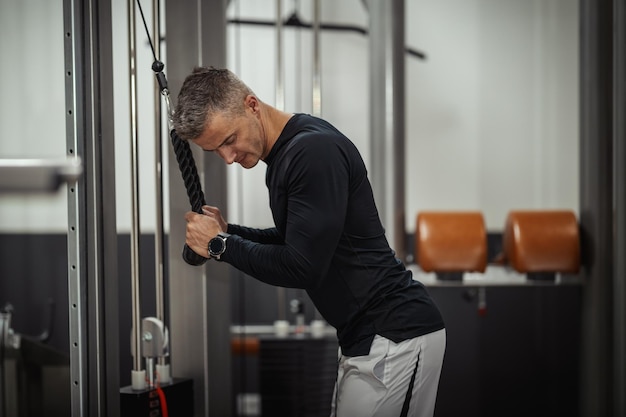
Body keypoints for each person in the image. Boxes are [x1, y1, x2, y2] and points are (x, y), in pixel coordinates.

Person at [174, 66, 446, 417]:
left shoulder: (311, 152)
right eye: (215, 151)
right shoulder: (289, 155)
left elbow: (303, 267)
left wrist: (220, 246)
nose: (228, 158)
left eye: (229, 140)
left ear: (252, 105)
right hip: (365, 337)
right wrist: (229, 232)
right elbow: (298, 242)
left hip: (394, 333)